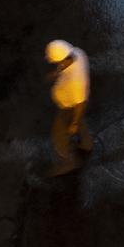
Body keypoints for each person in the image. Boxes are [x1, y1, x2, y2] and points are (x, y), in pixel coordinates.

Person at [44, 39, 92, 176]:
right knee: (81, 125)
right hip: (75, 100)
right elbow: (66, 62)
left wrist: (74, 123)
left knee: (58, 134)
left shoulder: (76, 82)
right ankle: (87, 145)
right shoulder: (77, 52)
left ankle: (68, 161)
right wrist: (58, 71)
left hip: (70, 107)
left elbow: (80, 103)